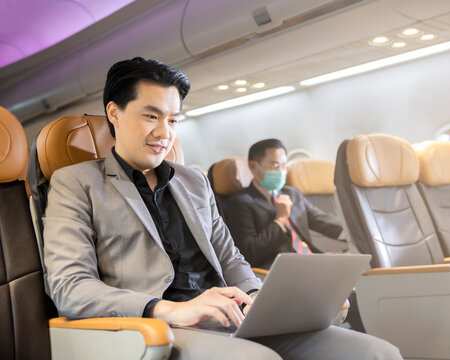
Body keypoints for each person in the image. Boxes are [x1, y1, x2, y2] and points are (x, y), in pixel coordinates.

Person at [43, 57, 402, 360]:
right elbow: (70, 287)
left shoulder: (193, 181)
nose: (164, 132)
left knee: (377, 353)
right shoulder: (76, 183)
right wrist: (169, 308)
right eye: (151, 116)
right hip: (157, 327)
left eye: (172, 120)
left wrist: (262, 302)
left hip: (228, 315)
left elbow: (231, 260)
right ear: (114, 114)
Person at [226, 139, 345, 269]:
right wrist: (280, 220)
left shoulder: (292, 194)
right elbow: (249, 252)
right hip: (278, 269)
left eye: (284, 165)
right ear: (253, 167)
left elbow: (320, 220)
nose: (281, 171)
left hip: (310, 260)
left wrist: (352, 230)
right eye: (275, 166)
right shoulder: (240, 202)